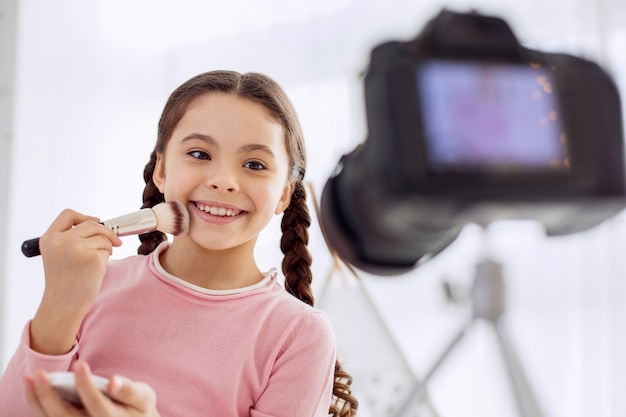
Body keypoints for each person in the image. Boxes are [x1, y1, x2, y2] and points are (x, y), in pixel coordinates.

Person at [0, 70, 359, 417]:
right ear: (161, 170)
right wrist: (58, 305)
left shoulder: (297, 334)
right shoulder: (94, 284)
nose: (223, 181)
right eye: (200, 154)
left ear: (283, 195)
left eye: (254, 164)